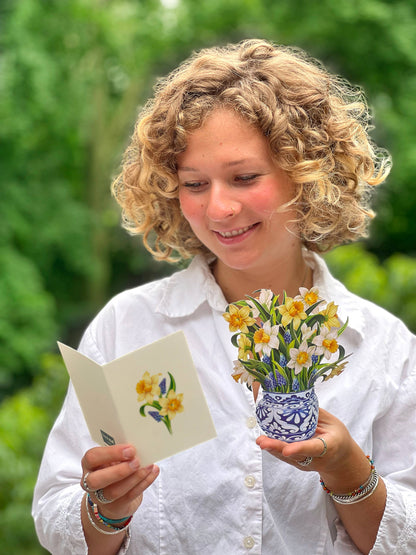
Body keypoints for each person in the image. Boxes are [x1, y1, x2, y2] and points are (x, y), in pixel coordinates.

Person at [32, 39, 416, 554]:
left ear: (306, 174)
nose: (218, 208)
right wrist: (104, 509)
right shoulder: (129, 327)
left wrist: (350, 474)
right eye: (194, 183)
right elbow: (56, 520)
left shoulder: (383, 347)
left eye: (244, 177)